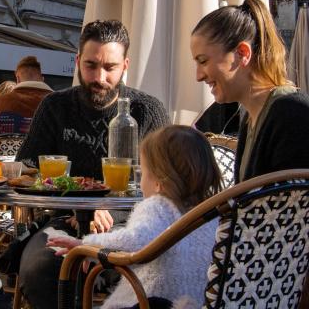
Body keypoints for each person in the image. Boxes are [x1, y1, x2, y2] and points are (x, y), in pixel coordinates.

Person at [15, 20, 169, 309]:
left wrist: (109, 207)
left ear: (125, 65)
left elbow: (168, 184)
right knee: (40, 268)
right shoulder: (55, 106)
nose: (99, 77)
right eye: (90, 65)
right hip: (65, 221)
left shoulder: (147, 111)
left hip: (135, 225)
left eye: (110, 67)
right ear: (77, 62)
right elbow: (25, 166)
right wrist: (78, 203)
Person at [47, 125, 223, 309]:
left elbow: (135, 240)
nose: (140, 181)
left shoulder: (157, 206)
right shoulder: (213, 213)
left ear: (158, 182)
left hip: (150, 302)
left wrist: (85, 246)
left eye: (143, 172)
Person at [190, 0, 309, 183]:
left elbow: (291, 206)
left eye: (203, 61)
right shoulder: (252, 119)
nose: (198, 76)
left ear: (242, 54)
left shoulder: (291, 114)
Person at [0, 56, 53, 140]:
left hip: (2, 153)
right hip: (46, 153)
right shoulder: (59, 103)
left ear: (17, 79)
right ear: (42, 79)